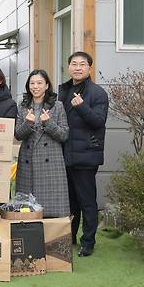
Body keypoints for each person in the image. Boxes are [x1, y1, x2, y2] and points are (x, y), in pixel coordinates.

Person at [58, 51, 108, 257]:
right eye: (74, 64)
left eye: (82, 64)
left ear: (89, 68)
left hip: (86, 155)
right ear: (68, 67)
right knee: (70, 201)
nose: (78, 68)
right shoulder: (63, 90)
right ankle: (69, 237)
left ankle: (88, 242)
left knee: (87, 201)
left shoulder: (97, 93)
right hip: (65, 154)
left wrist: (82, 107)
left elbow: (98, 121)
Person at [14, 70, 69, 217]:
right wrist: (28, 123)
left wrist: (48, 123)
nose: (35, 86)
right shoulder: (23, 106)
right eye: (32, 83)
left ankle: (53, 235)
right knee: (27, 208)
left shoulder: (57, 106)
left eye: (39, 83)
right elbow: (18, 135)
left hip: (51, 164)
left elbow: (64, 135)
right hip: (28, 162)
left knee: (52, 208)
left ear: (46, 86)